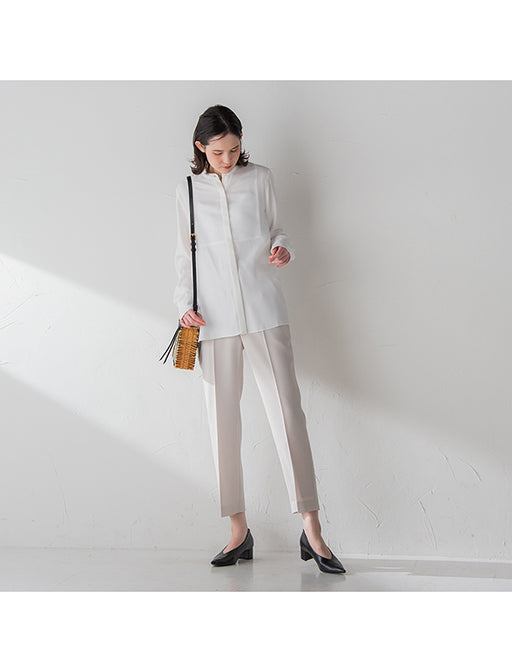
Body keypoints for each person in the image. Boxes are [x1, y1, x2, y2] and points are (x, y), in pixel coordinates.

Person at [173, 104, 345, 574]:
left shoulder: (260, 178)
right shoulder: (188, 190)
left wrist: (282, 247)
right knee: (222, 424)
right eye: (218, 152)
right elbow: (184, 255)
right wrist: (182, 304)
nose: (228, 159)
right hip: (213, 320)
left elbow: (277, 229)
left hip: (265, 310)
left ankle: (312, 528)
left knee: (289, 414)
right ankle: (237, 529)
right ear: (200, 148)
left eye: (234, 150)